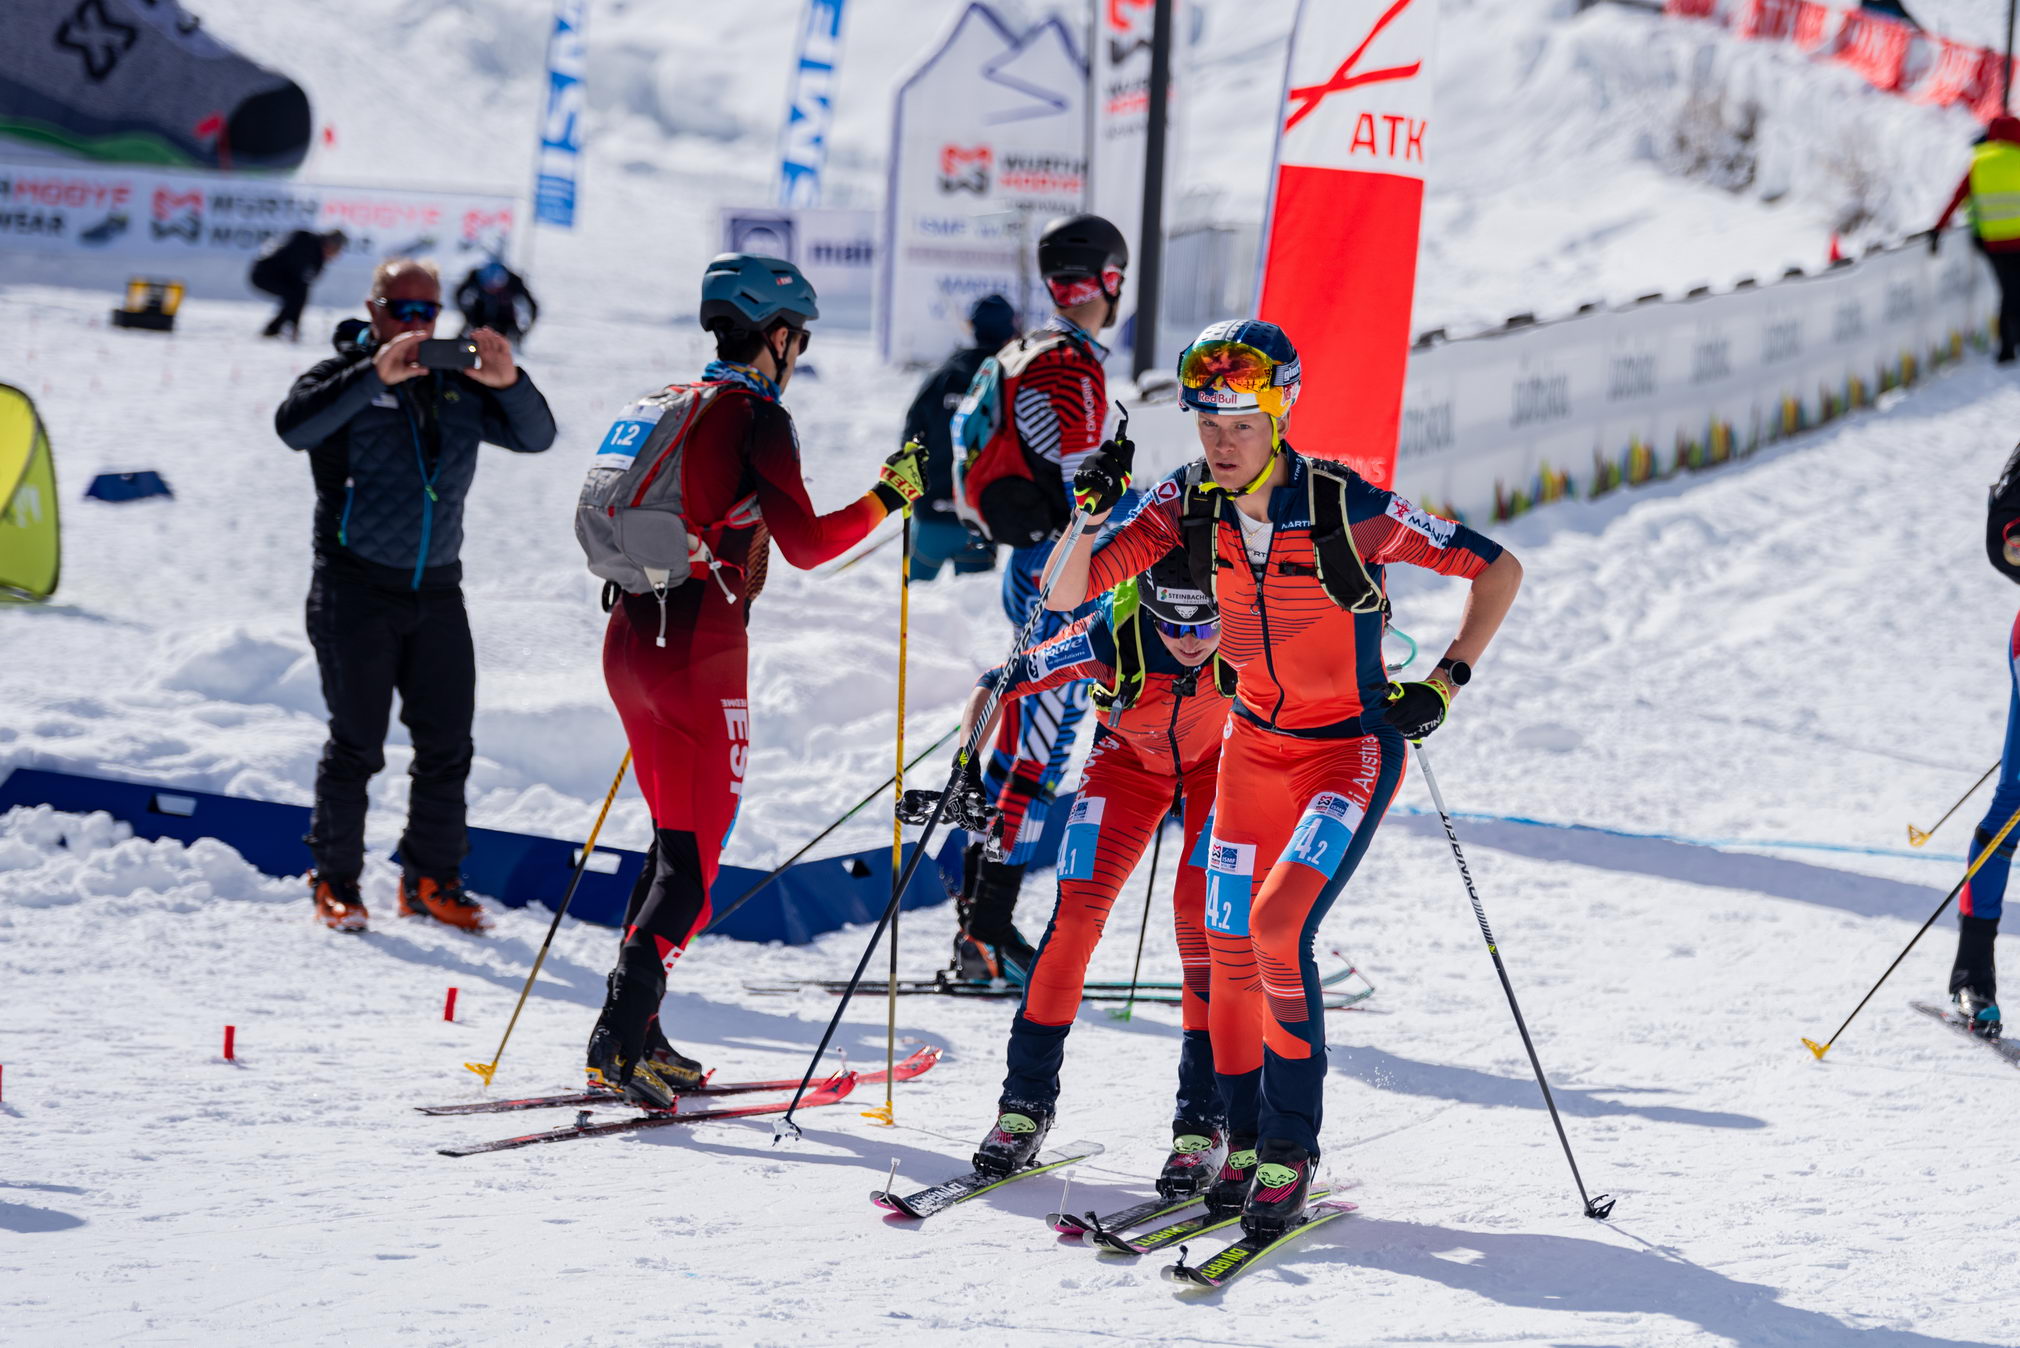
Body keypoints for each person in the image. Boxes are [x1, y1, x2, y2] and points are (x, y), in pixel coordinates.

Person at [1036, 319, 1523, 1238]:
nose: (1222, 445)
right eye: (1207, 425)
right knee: (1227, 944)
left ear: (1280, 414)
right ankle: (1247, 1143)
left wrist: (1447, 681)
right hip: (1252, 748)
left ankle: (1291, 1156)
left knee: (1275, 926)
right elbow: (1067, 595)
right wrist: (1087, 515)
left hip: (1349, 749)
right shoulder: (1186, 505)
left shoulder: (1348, 506)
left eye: (1241, 425)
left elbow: (1498, 569)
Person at [583, 253, 927, 1107]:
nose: (798, 353)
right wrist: (891, 496)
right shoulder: (757, 416)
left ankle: (643, 1033)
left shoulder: (668, 404)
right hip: (697, 645)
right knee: (694, 867)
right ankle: (617, 1039)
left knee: (672, 847)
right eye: (797, 338)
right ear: (775, 334)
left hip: (630, 632)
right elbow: (807, 546)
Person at [274, 258, 556, 934]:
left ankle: (430, 879)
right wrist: (374, 375)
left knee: (448, 744)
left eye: (426, 312)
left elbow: (538, 436)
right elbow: (294, 428)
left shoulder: (458, 383)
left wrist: (509, 381)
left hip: (438, 588)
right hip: (354, 586)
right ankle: (335, 881)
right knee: (357, 745)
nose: (416, 324)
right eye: (401, 310)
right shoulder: (337, 377)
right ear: (373, 311)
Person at [942, 550, 1234, 1192]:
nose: (1192, 643)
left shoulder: (1246, 614)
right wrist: (967, 762)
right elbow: (998, 679)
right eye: (1174, 627)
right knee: (1072, 923)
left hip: (1223, 768)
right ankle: (1022, 1108)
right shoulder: (1110, 629)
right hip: (1127, 763)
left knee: (1199, 923)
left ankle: (1203, 1123)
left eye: (1205, 627)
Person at [954, 213, 1130, 982]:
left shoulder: (1027, 348)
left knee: (1027, 738)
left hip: (1032, 561)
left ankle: (978, 927)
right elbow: (1084, 494)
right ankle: (986, 933)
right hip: (1057, 568)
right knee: (1038, 750)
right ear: (1111, 281)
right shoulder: (1072, 367)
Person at [902, 293, 1016, 582]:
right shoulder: (1009, 382)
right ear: (1010, 332)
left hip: (932, 518)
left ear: (971, 327)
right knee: (972, 610)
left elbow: (910, 440)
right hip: (980, 521)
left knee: (909, 605)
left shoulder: (943, 375)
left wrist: (918, 493)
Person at [1932, 115, 2020, 365]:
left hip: (1993, 243)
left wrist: (1938, 228)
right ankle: (2010, 345)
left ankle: (2006, 346)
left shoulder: (1979, 162)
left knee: (2008, 292)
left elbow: (1957, 197)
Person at [251, 228, 347, 340]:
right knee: (294, 294)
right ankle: (273, 329)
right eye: (337, 250)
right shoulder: (306, 241)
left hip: (276, 276)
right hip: (264, 274)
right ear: (330, 244)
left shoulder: (317, 254)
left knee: (297, 293)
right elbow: (298, 283)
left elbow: (302, 288)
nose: (336, 255)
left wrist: (295, 323)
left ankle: (280, 328)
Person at [455, 260, 539, 346]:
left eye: (496, 288)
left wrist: (524, 330)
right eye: (488, 288)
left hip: (505, 317)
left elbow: (532, 306)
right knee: (466, 335)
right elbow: (458, 294)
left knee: (508, 340)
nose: (492, 290)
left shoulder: (515, 281)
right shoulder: (475, 276)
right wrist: (466, 314)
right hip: (479, 315)